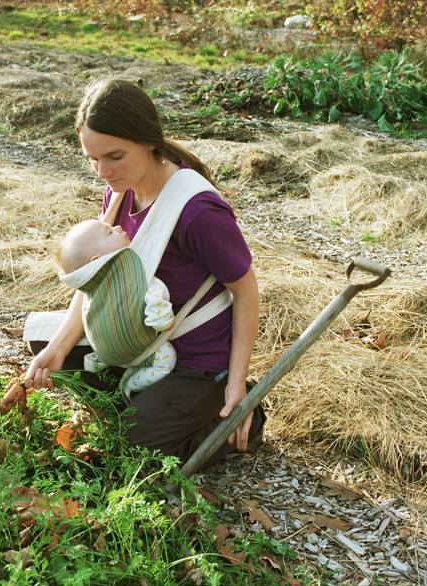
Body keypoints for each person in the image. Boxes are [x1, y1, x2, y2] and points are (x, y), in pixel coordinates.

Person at [25, 77, 264, 467]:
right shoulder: (120, 188)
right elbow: (95, 284)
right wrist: (59, 346)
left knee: (131, 452)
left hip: (194, 361)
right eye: (92, 158)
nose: (102, 170)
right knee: (43, 345)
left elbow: (246, 292)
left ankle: (226, 410)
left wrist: (238, 384)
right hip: (139, 344)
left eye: (114, 156)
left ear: (148, 140)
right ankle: (147, 406)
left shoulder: (198, 212)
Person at [57, 218, 178, 395]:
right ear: (97, 260)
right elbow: (160, 313)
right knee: (166, 362)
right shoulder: (136, 274)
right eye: (109, 232)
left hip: (105, 353)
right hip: (142, 346)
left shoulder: (93, 288)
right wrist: (165, 320)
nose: (118, 227)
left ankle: (104, 365)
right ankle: (130, 384)